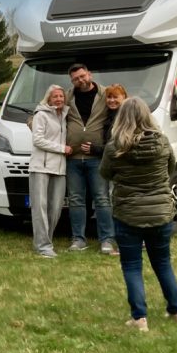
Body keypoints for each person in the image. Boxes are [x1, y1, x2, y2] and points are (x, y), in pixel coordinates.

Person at [99, 97, 177, 332]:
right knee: (162, 262)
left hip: (127, 213)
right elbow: (170, 169)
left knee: (131, 266)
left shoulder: (114, 147)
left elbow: (105, 173)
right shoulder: (162, 142)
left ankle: (140, 318)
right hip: (160, 212)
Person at [64, 63, 117, 254]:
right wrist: (33, 122)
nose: (80, 80)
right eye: (76, 79)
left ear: (90, 74)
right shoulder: (67, 96)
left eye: (82, 76)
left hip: (97, 158)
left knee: (102, 199)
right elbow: (45, 107)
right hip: (73, 158)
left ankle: (107, 240)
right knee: (76, 200)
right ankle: (78, 239)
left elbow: (122, 107)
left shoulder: (106, 94)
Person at [84, 83, 128, 257]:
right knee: (107, 200)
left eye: (115, 97)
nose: (111, 100)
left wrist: (96, 150)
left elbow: (119, 146)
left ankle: (124, 238)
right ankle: (110, 238)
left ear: (124, 97)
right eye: (109, 97)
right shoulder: (109, 116)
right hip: (108, 165)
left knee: (120, 202)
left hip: (121, 167)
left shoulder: (125, 117)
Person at [29, 85, 71, 258]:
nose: (59, 99)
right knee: (40, 206)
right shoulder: (41, 115)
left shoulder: (65, 116)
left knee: (55, 208)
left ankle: (47, 241)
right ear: (49, 98)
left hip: (59, 168)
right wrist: (62, 148)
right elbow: (38, 140)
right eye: (55, 96)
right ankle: (42, 245)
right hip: (40, 167)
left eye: (61, 96)